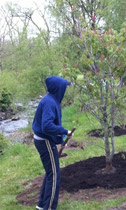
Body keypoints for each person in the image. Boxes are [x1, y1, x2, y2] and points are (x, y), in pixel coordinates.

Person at [32, 76, 73, 210]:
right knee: (55, 176)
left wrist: (60, 140)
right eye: (64, 88)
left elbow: (49, 127)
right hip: (44, 142)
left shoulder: (51, 100)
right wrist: (64, 131)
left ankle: (41, 205)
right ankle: (49, 207)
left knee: (51, 173)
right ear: (58, 89)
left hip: (45, 140)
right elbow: (47, 126)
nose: (65, 90)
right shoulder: (49, 102)